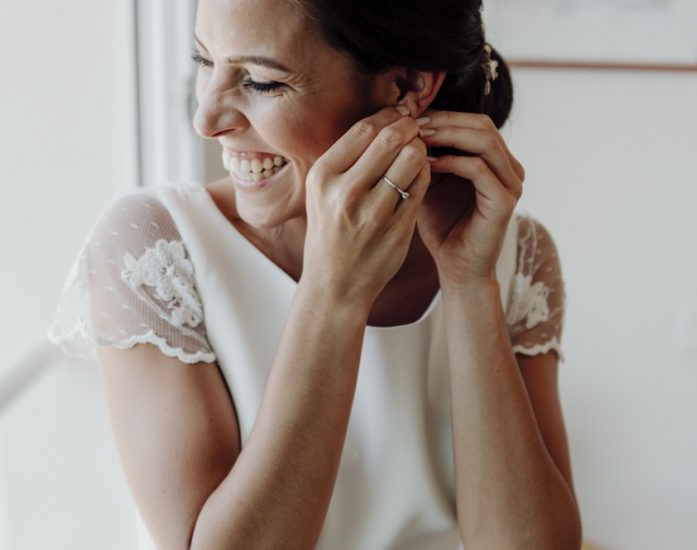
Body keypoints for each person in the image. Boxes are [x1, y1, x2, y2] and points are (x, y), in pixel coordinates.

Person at [47, 0, 582, 548]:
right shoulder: (154, 251)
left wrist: (469, 284)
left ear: (407, 86)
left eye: (261, 81)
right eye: (204, 60)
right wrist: (333, 293)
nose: (205, 120)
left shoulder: (511, 252)